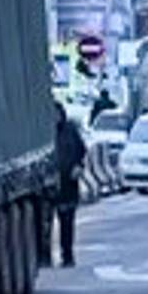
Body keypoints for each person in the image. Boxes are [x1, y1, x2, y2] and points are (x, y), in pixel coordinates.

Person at [54, 102, 87, 267]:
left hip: (69, 183)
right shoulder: (45, 134)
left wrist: (79, 166)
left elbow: (82, 151)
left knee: (67, 221)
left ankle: (67, 254)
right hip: (51, 185)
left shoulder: (70, 130)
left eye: (58, 113)